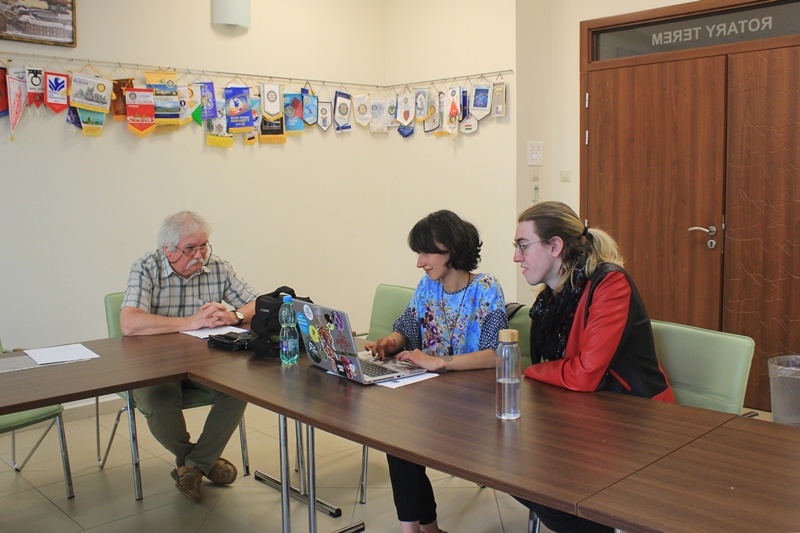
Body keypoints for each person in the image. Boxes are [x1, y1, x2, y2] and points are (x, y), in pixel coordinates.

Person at [512, 201, 674, 533]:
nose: (517, 257)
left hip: (635, 422)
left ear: (555, 246)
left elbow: (584, 373)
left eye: (523, 245)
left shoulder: (610, 283)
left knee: (545, 490)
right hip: (583, 416)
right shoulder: (552, 298)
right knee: (508, 466)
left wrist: (530, 371)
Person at [366, 209, 508, 533]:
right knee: (397, 438)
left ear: (451, 249)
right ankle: (422, 530)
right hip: (433, 395)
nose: (420, 262)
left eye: (426, 253)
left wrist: (441, 362)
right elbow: (408, 326)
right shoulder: (428, 286)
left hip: (474, 403)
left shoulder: (486, 287)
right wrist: (391, 341)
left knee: (403, 439)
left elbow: (497, 355)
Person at [120, 210, 258, 503]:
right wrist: (189, 323)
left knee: (238, 391)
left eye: (204, 245)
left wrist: (234, 315)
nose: (200, 255)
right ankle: (199, 461)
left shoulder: (218, 267)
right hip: (155, 364)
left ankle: (192, 467)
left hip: (205, 361)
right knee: (158, 402)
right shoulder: (145, 269)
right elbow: (129, 323)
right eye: (190, 248)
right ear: (167, 249)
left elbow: (257, 303)